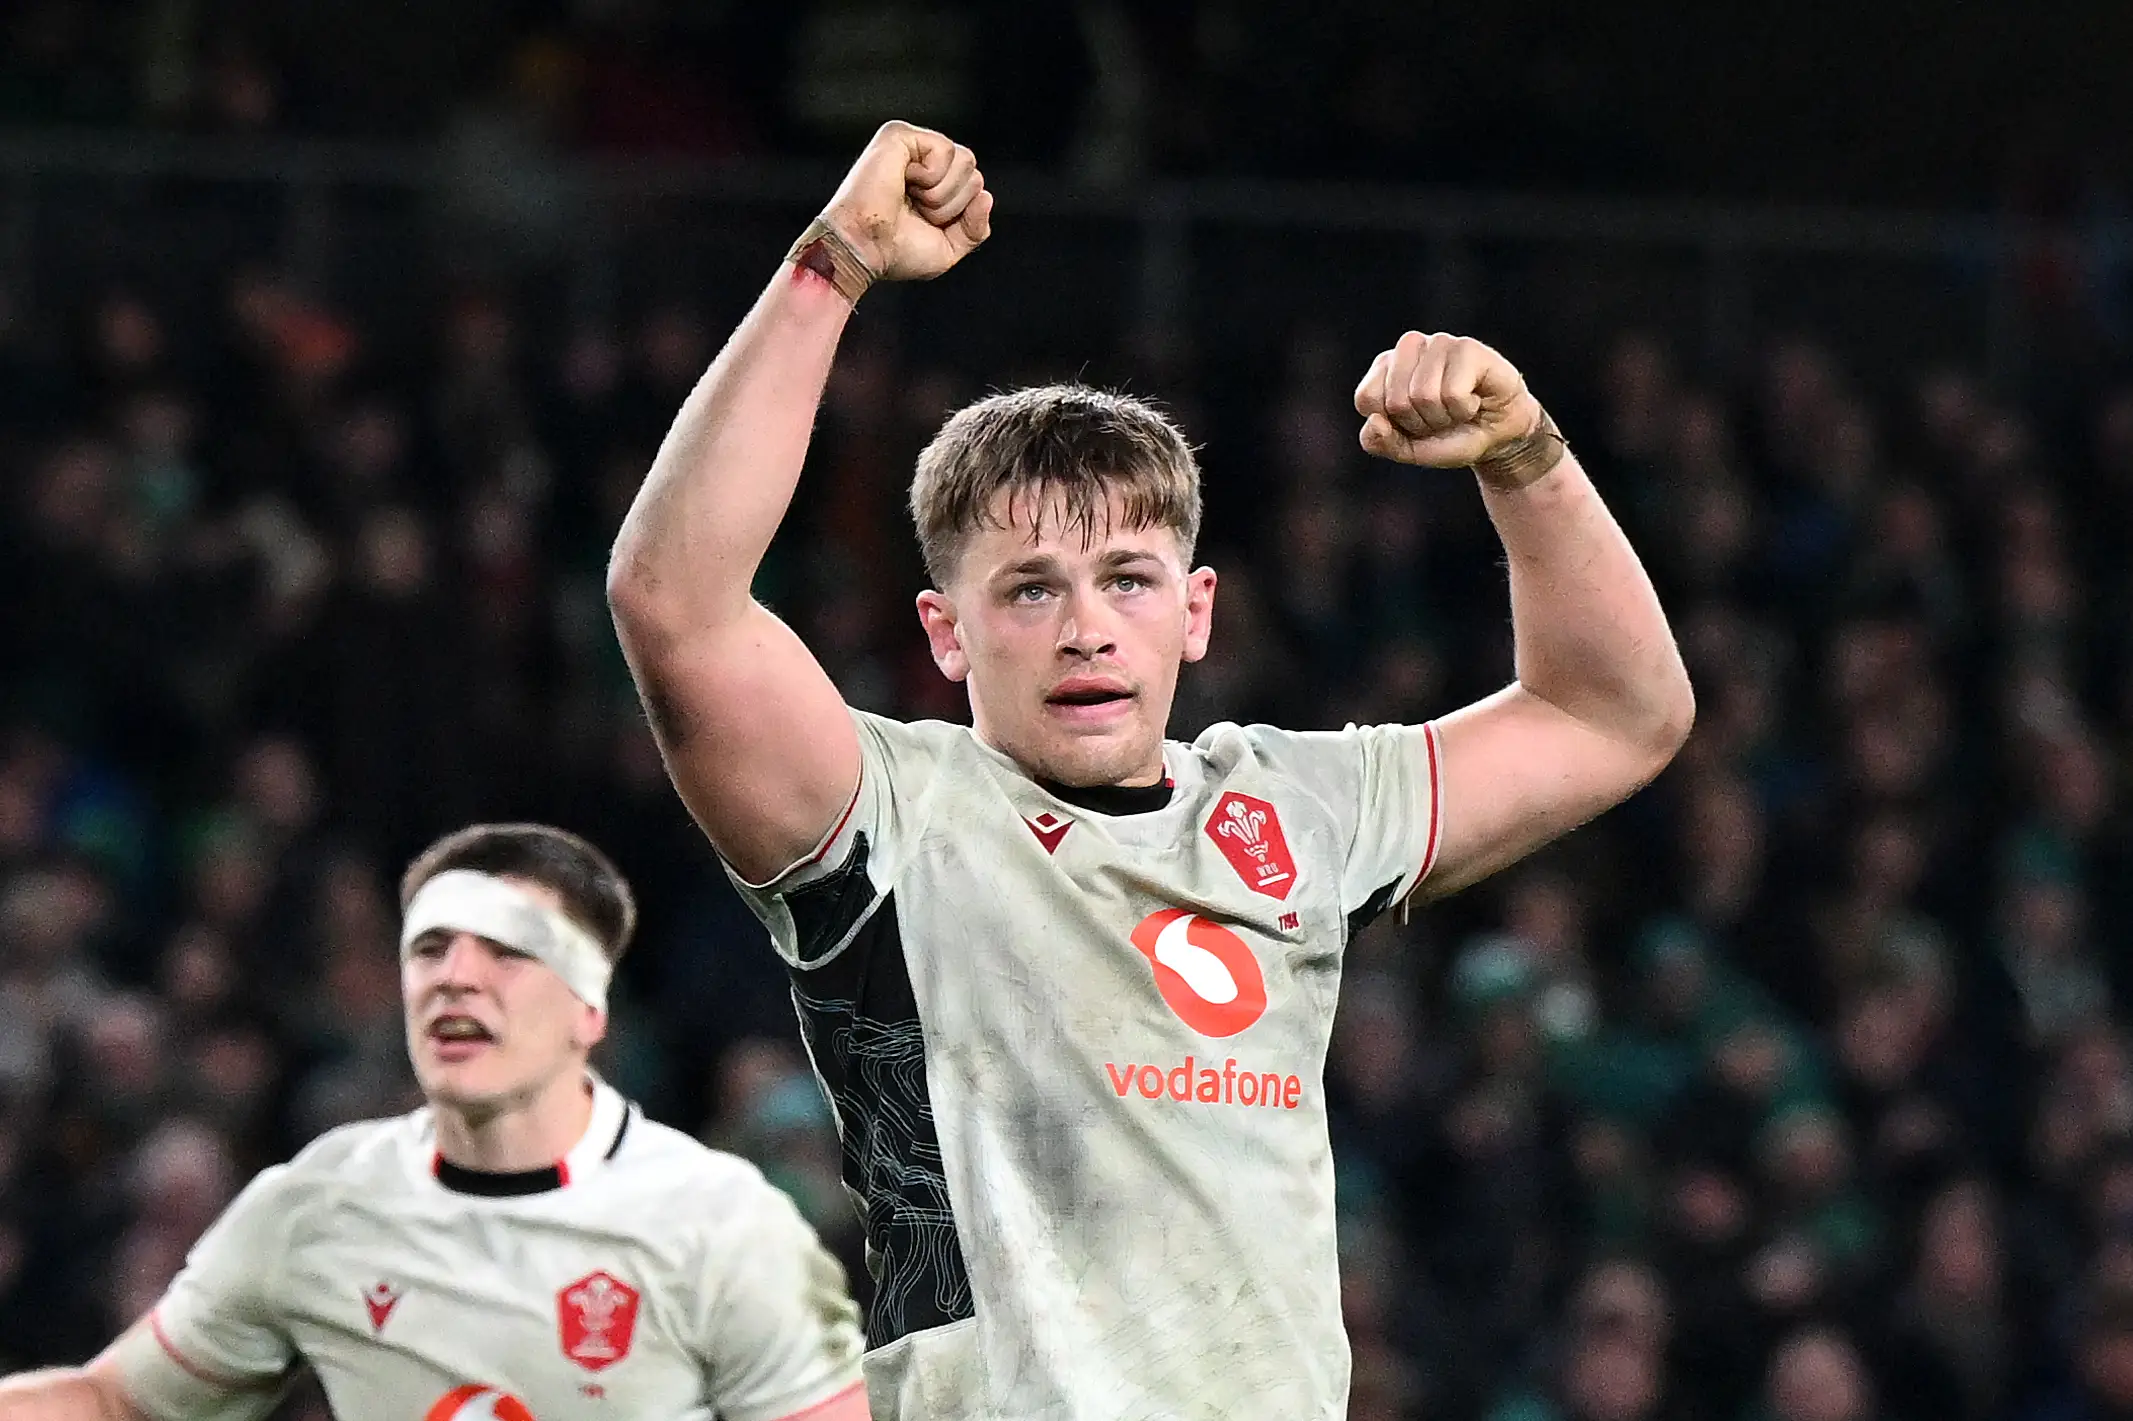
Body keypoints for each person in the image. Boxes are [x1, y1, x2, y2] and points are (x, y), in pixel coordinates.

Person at [607, 120, 1694, 1420]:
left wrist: (1528, 460)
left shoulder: (1296, 808)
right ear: (944, 635)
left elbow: (1617, 711)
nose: (1085, 626)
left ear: (1195, 610)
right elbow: (671, 604)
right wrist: (831, 264)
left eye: (1127, 579)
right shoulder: (885, 822)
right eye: (1028, 590)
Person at [0, 823, 869, 1421]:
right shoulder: (316, 1207)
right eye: (431, 947)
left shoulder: (719, 1221)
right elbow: (114, 1403)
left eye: (507, 950)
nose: (456, 977)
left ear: (589, 1010)